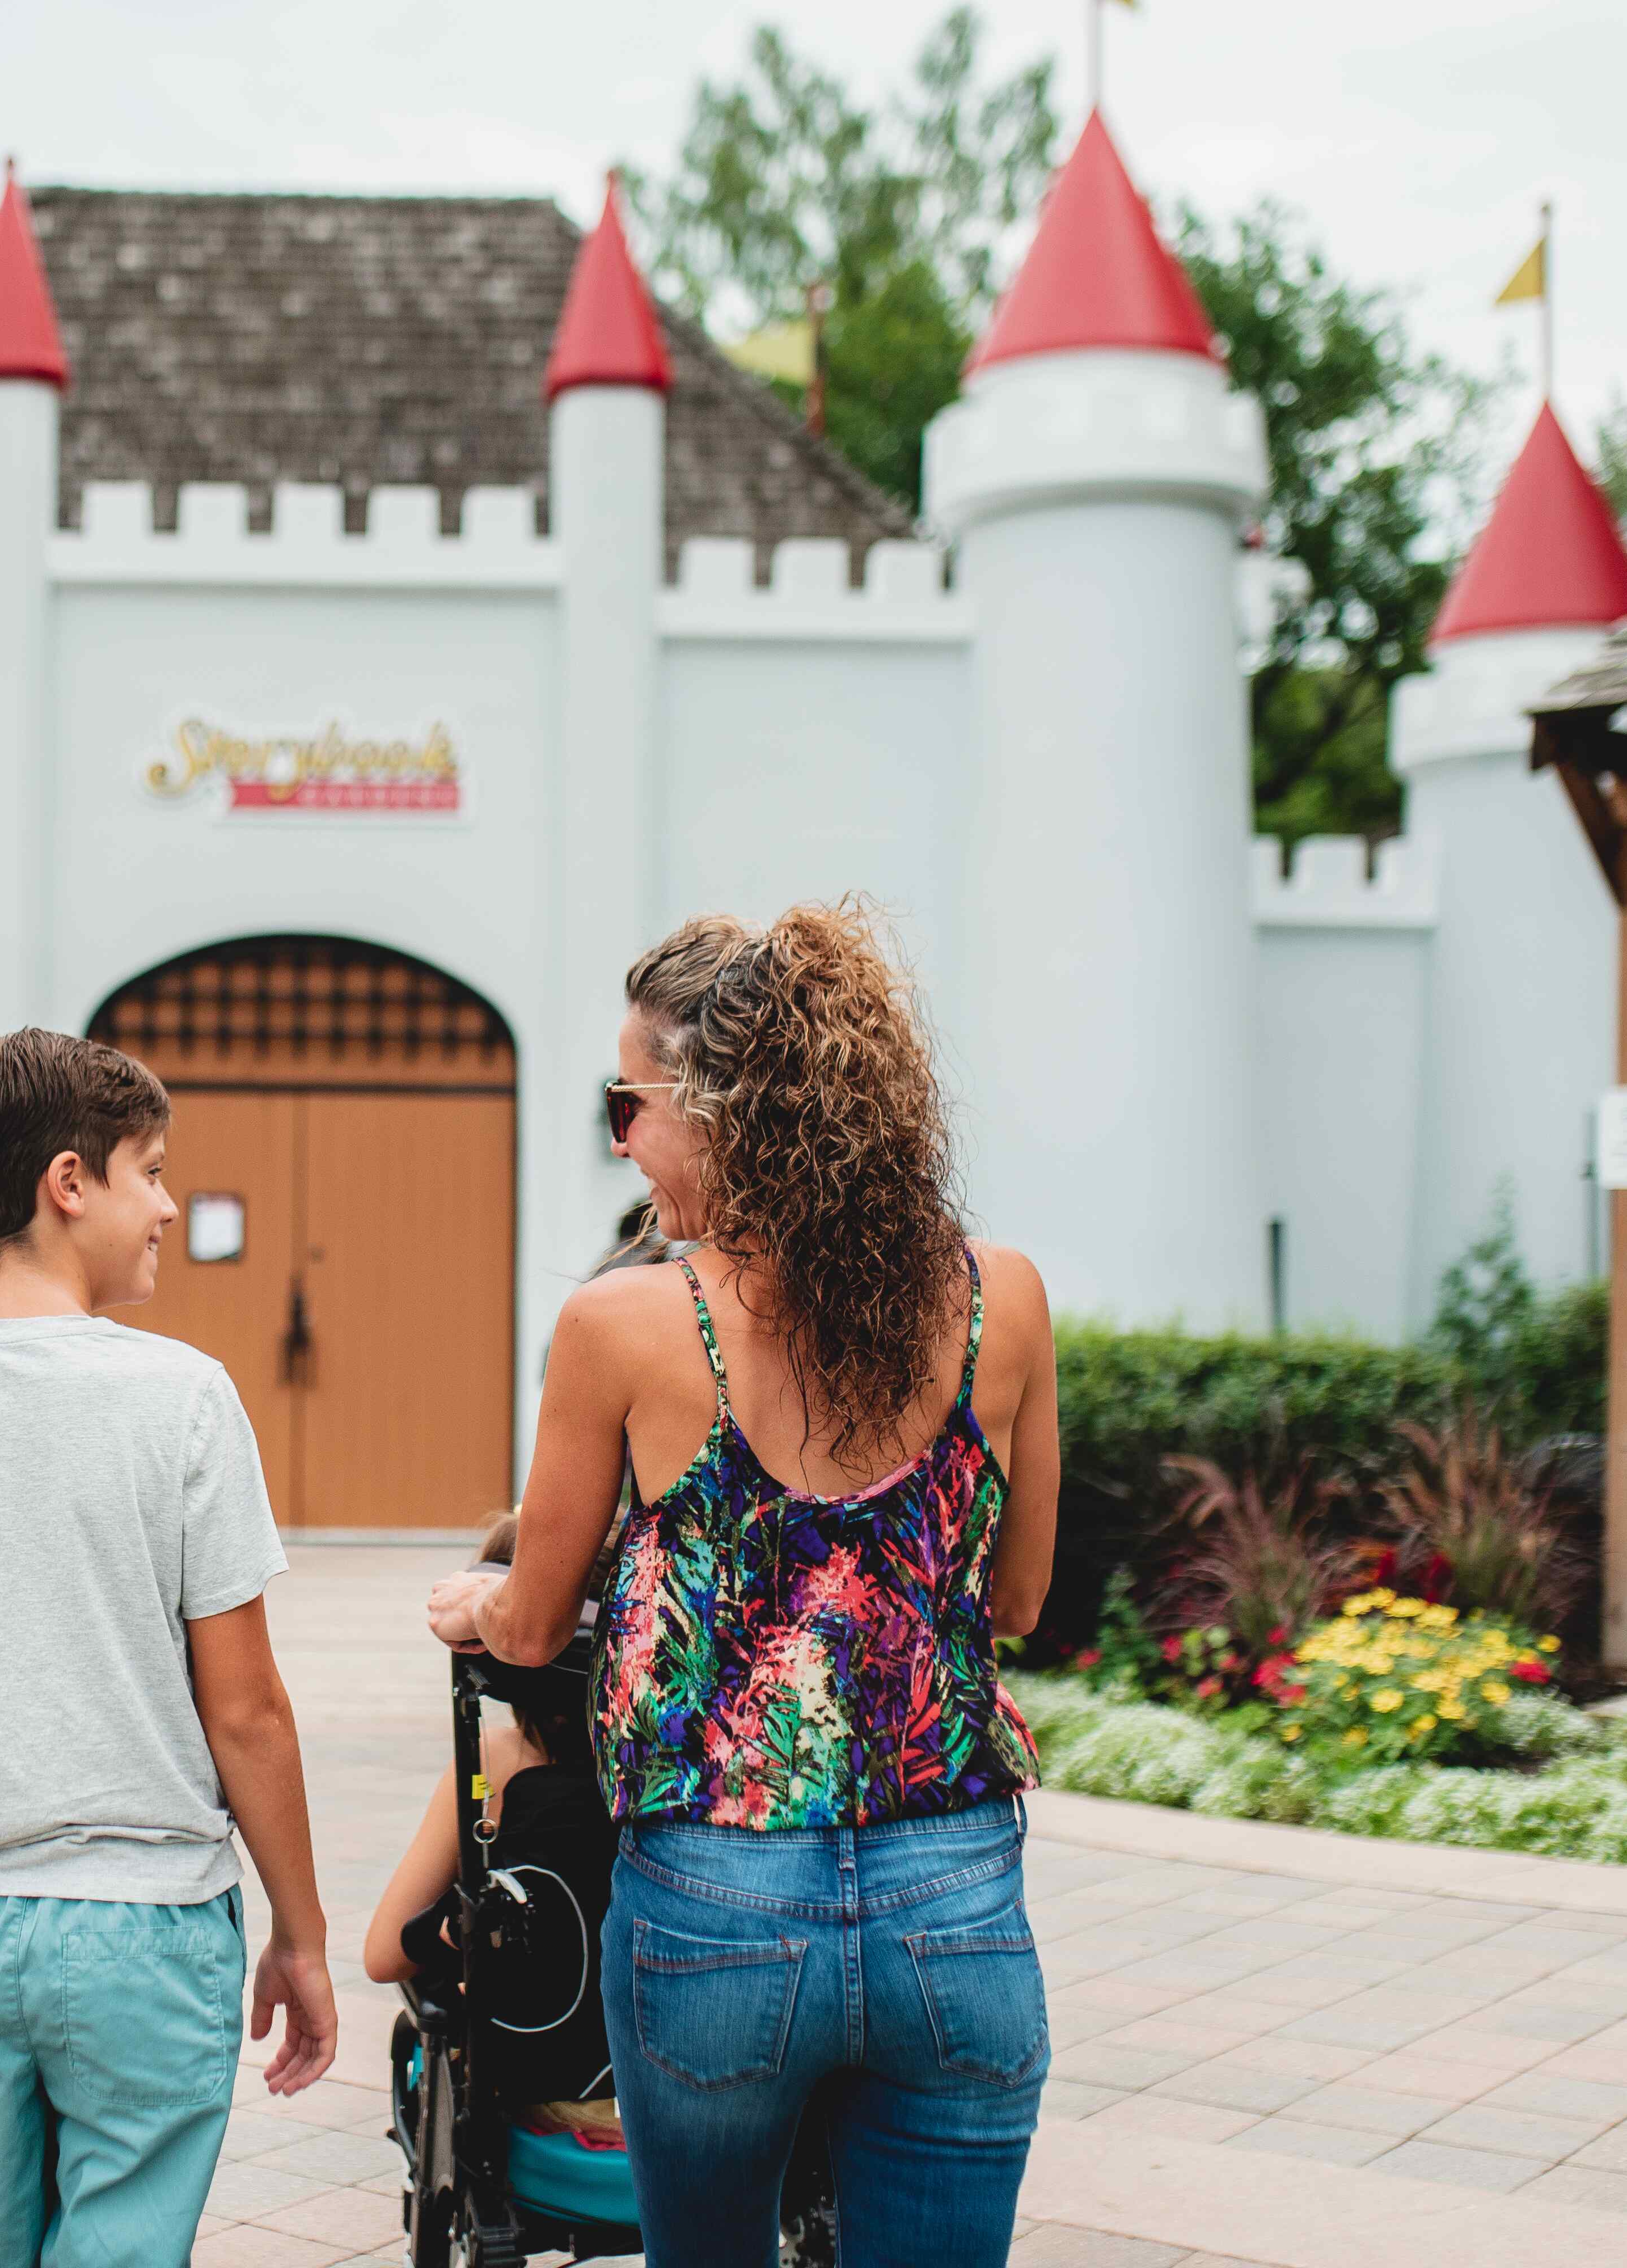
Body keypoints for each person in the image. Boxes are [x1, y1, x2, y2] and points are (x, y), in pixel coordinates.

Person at [426, 906, 1060, 2268]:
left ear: (717, 1110)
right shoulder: (1000, 1298)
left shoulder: (624, 1323)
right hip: (952, 1893)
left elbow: (534, 1620)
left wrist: (479, 1609)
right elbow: (1017, 1601)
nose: (622, 1141)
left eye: (626, 1103)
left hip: (715, 1899)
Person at [0, 1028, 340, 2266]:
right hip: (146, 1933)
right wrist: (300, 1935)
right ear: (67, 1183)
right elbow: (247, 1708)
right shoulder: (185, 1397)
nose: (165, 1205)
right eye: (149, 1170)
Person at [364, 1512, 622, 2147]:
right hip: (684, 2094)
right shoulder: (684, 1770)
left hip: (541, 2093)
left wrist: (454, 1926)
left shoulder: (497, 1762)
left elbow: (383, 1953)